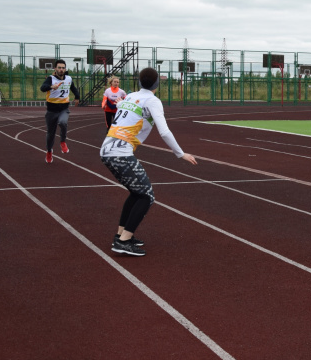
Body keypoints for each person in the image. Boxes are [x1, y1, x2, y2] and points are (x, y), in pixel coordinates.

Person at [100, 67, 197, 256]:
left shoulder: (130, 97)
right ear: (157, 84)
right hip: (120, 153)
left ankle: (121, 235)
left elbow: (124, 110)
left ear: (139, 82)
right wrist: (180, 154)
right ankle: (123, 241)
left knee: (136, 193)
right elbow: (164, 131)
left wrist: (120, 103)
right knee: (147, 196)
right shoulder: (153, 101)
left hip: (107, 149)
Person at [40, 59, 80, 163]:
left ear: (65, 69)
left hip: (63, 108)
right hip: (51, 110)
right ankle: (49, 151)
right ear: (55, 69)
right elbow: (42, 88)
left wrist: (77, 96)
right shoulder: (51, 79)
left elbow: (73, 88)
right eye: (59, 68)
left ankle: (62, 141)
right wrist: (51, 87)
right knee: (50, 134)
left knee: (63, 122)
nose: (61, 69)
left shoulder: (69, 79)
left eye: (63, 68)